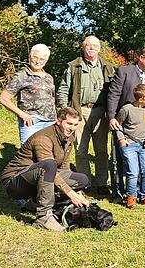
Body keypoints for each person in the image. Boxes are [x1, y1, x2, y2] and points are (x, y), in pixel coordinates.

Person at [0, 107, 91, 232]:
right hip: (15, 182)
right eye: (69, 124)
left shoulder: (68, 137)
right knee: (48, 165)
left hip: (39, 176)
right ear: (58, 121)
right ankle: (43, 217)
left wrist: (77, 190)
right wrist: (71, 194)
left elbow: (64, 167)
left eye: (75, 125)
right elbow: (48, 168)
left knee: (82, 179)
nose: (72, 128)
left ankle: (34, 203)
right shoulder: (43, 138)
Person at [55, 35, 115, 195]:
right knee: (81, 150)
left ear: (99, 48)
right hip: (79, 111)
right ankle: (85, 183)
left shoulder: (107, 67)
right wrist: (65, 111)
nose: (92, 48)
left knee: (101, 150)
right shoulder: (74, 66)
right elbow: (62, 89)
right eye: (88, 45)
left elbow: (115, 91)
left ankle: (102, 183)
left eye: (95, 46)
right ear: (83, 47)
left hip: (101, 112)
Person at [107, 47, 145, 199]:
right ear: (141, 58)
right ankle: (118, 190)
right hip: (124, 124)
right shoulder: (124, 72)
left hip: (144, 127)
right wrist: (112, 117)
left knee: (142, 163)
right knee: (119, 159)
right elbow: (113, 95)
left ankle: (140, 193)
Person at [0, 43, 56, 145]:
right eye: (35, 57)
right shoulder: (21, 76)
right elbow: (4, 98)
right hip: (31, 122)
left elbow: (51, 99)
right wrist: (22, 115)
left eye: (41, 59)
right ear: (30, 56)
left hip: (50, 122)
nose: (38, 61)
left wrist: (56, 117)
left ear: (46, 61)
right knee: (28, 155)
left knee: (48, 154)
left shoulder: (49, 77)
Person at [115, 84, 145, 208]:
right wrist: (121, 140)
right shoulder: (126, 109)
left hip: (143, 145)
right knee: (133, 172)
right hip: (129, 145)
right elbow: (118, 125)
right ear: (140, 99)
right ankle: (131, 197)